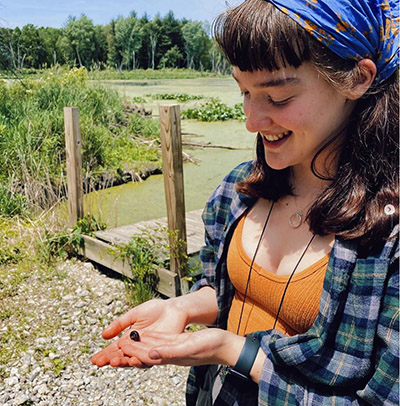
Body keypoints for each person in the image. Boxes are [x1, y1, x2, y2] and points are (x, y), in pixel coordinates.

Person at [91, 0, 399, 404]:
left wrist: (231, 350)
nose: (252, 121)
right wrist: (184, 308)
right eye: (244, 92)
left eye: (278, 98)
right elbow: (225, 289)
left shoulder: (388, 237)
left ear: (357, 79)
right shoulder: (238, 189)